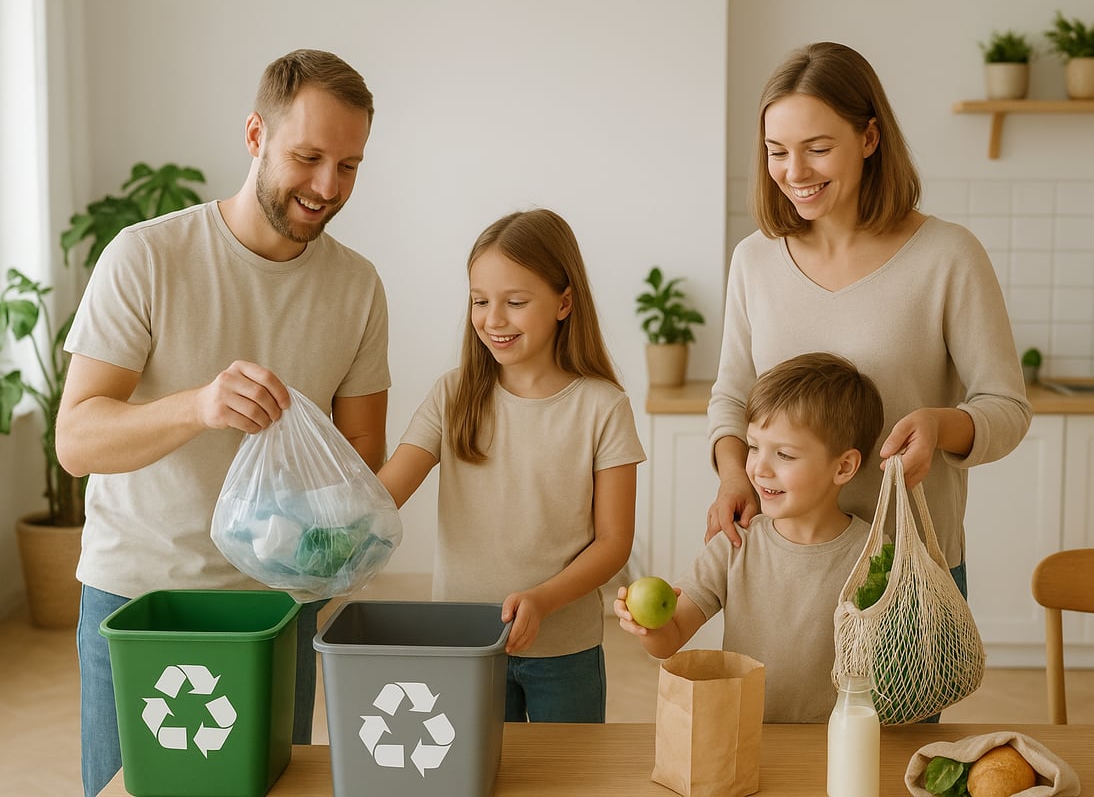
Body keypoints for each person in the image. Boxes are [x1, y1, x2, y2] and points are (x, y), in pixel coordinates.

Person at [56, 50, 390, 797]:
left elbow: (362, 452)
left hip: (280, 608)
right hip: (143, 600)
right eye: (308, 157)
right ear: (254, 135)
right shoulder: (147, 258)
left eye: (350, 165)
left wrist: (339, 540)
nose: (327, 187)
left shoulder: (357, 288)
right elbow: (76, 441)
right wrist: (199, 407)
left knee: (269, 790)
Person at [706, 42, 1031, 598]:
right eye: (776, 151)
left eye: (818, 148)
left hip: (906, 567)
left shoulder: (947, 255)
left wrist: (937, 424)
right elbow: (733, 397)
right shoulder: (754, 259)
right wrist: (734, 474)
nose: (794, 171)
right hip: (786, 559)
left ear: (869, 139)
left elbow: (1007, 408)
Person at [376, 208, 645, 723]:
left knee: (564, 780)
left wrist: (543, 601)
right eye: (480, 301)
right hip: (465, 644)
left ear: (564, 302)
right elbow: (383, 495)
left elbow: (614, 543)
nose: (492, 319)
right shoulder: (453, 394)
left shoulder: (603, 406)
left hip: (565, 650)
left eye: (515, 302)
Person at [615, 352, 885, 722]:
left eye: (784, 455)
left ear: (843, 467)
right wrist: (647, 624)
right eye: (754, 446)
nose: (758, 467)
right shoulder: (734, 545)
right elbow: (671, 637)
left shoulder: (876, 555)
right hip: (744, 741)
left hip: (839, 746)